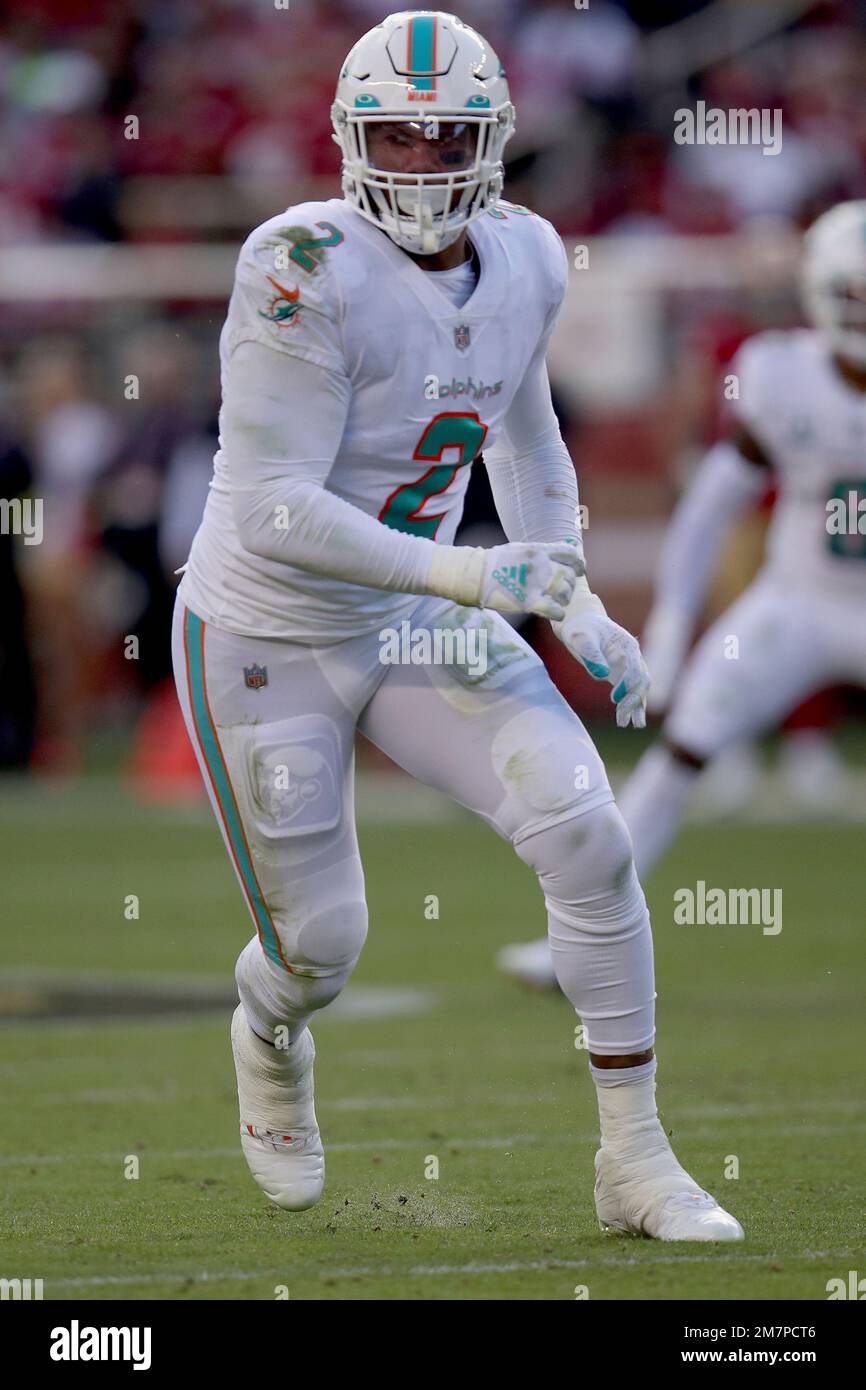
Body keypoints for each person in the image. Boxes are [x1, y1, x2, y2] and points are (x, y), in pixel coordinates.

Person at [172, 10, 741, 1242]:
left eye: (446, 140)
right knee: (321, 947)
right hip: (266, 632)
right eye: (396, 137)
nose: (420, 164)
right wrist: (477, 580)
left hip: (416, 612)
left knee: (588, 834)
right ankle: (269, 1034)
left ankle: (634, 1161)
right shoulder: (297, 263)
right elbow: (274, 508)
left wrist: (572, 591)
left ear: (491, 142)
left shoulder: (529, 254)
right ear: (347, 136)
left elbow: (524, 434)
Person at [498, 199, 866, 990]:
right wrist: (669, 628)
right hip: (799, 600)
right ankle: (582, 946)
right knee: (683, 746)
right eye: (853, 296)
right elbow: (707, 510)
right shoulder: (782, 375)